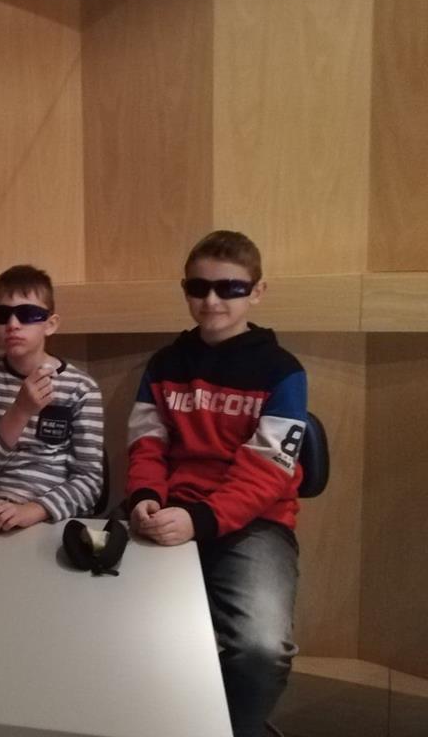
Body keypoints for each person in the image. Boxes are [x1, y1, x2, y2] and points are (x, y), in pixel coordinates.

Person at [126, 230, 308, 737]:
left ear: (257, 291)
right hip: (166, 509)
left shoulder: (282, 371)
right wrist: (145, 497)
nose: (211, 300)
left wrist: (201, 519)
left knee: (261, 649)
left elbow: (269, 469)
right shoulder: (165, 364)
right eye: (198, 287)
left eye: (229, 288)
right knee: (110, 624)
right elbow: (146, 444)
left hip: (255, 522)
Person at [0, 264, 104, 531]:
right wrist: (21, 410)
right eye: (2, 315)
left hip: (47, 518)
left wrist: (33, 511)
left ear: (51, 325)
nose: (12, 325)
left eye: (27, 314)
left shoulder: (81, 387)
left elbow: (89, 482)